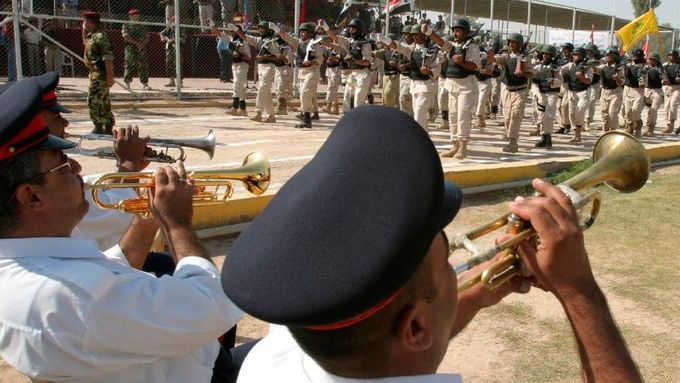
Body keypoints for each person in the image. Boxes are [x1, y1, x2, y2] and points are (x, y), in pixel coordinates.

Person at [221, 105, 643, 382]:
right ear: (417, 327)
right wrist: (579, 291)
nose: (464, 263)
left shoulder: (279, 350)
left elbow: (388, 338)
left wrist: (476, 294)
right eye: (449, 264)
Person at [0, 78, 249, 383]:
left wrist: (148, 218)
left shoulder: (34, 260)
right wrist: (178, 223)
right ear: (31, 196)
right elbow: (214, 305)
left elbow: (107, 275)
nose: (77, 168)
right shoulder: (71, 295)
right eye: (62, 164)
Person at [426, 19, 480, 159]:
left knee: (463, 116)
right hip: (452, 84)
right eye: (454, 30)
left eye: (458, 30)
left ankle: (463, 146)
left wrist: (462, 62)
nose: (455, 33)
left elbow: (476, 66)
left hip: (466, 85)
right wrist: (429, 32)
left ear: (465, 32)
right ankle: (454, 145)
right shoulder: (451, 46)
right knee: (453, 115)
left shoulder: (472, 47)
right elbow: (440, 42)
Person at [379, 23, 440, 131]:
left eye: (417, 34)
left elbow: (437, 69)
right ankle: (423, 136)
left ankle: (420, 138)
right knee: (417, 113)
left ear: (425, 36)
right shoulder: (412, 49)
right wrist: (385, 40)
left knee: (419, 112)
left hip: (427, 86)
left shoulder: (433, 50)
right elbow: (398, 47)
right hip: (415, 85)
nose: (414, 37)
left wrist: (429, 71)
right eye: (413, 35)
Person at [487, 33, 534, 153]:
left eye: (513, 42)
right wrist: (489, 52)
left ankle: (513, 142)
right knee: (507, 117)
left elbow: (531, 74)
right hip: (508, 90)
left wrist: (522, 74)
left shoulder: (525, 58)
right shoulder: (506, 57)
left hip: (520, 90)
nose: (511, 45)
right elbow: (493, 59)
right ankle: (509, 137)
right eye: (510, 42)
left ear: (518, 44)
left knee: (516, 115)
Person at [275, 22, 323, 129]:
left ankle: (307, 120)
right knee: (303, 95)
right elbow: (287, 37)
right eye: (301, 32)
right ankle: (306, 117)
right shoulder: (299, 43)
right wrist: (277, 29)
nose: (301, 34)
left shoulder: (315, 44)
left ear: (310, 33)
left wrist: (311, 62)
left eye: (304, 32)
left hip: (312, 71)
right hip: (302, 72)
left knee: (305, 93)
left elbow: (320, 60)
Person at [321, 18, 374, 111]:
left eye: (353, 28)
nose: (351, 30)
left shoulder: (365, 44)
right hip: (352, 74)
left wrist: (353, 60)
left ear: (359, 30)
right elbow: (335, 38)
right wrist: (325, 26)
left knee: (358, 100)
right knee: (347, 97)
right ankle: (346, 118)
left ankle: (359, 121)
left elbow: (367, 62)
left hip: (362, 74)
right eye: (350, 28)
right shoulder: (349, 42)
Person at [238, 21, 280, 123]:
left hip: (269, 67)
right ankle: (271, 116)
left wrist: (264, 56)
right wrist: (237, 30)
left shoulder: (272, 41)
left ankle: (258, 113)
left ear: (268, 30)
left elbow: (276, 56)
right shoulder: (259, 40)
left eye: (263, 28)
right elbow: (245, 37)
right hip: (261, 68)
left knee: (262, 89)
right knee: (266, 92)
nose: (260, 30)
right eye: (259, 28)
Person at [82, 11, 115, 135]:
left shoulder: (100, 37)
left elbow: (108, 58)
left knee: (94, 100)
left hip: (100, 73)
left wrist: (110, 76)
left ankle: (99, 126)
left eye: (85, 21)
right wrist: (83, 29)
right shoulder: (93, 36)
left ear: (90, 22)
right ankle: (106, 126)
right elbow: (85, 42)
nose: (83, 24)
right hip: (95, 73)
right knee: (102, 100)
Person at [214, 23, 251, 116]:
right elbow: (219, 34)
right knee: (240, 87)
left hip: (242, 65)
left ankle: (234, 107)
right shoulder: (231, 40)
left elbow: (248, 57)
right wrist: (213, 25)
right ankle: (243, 109)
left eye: (233, 31)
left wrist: (240, 55)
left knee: (236, 84)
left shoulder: (244, 42)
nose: (231, 33)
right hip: (234, 65)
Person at [532, 44, 563, 148]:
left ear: (552, 56)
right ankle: (543, 137)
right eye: (544, 54)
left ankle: (548, 139)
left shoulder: (556, 68)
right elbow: (533, 76)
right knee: (541, 116)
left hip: (552, 94)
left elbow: (561, 81)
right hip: (541, 93)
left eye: (548, 54)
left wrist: (554, 81)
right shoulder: (539, 66)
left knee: (549, 116)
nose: (545, 56)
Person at [560, 47, 593, 143]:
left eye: (576, 55)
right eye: (573, 54)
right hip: (572, 91)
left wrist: (581, 77)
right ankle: (576, 134)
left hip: (583, 92)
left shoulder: (587, 67)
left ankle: (580, 128)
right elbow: (561, 70)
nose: (574, 56)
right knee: (571, 113)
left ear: (582, 56)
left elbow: (588, 81)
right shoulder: (570, 65)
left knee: (580, 110)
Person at [595, 47, 625, 133]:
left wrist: (617, 79)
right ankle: (605, 132)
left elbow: (622, 82)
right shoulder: (603, 66)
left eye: (609, 55)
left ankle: (613, 131)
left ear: (614, 56)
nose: (607, 57)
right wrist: (592, 65)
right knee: (604, 114)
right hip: (604, 92)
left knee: (612, 114)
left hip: (615, 92)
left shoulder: (619, 68)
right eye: (606, 55)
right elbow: (596, 70)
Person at [122, 9, 151, 91]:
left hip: (141, 47)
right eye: (135, 15)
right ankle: (127, 84)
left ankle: (145, 84)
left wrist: (142, 44)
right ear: (130, 16)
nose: (137, 16)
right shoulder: (126, 25)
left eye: (138, 15)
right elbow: (125, 36)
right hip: (130, 47)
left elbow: (147, 36)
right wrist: (137, 43)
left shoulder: (143, 25)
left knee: (143, 65)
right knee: (129, 64)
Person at [641, 52, 664, 137]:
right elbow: (640, 75)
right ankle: (636, 125)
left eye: (653, 60)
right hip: (646, 90)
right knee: (640, 109)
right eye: (650, 59)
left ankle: (650, 128)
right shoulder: (645, 68)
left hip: (657, 91)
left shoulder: (660, 69)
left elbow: (663, 76)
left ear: (657, 61)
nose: (651, 61)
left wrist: (663, 80)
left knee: (653, 110)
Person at [159, 17, 185, 88]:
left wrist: (174, 40)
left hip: (177, 48)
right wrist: (165, 39)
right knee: (169, 64)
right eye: (173, 20)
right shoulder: (169, 28)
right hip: (170, 49)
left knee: (178, 64)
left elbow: (183, 39)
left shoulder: (181, 28)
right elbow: (161, 34)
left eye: (176, 20)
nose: (174, 22)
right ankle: (172, 81)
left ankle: (179, 82)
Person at [662, 50, 680, 134]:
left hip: (677, 88)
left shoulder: (679, 66)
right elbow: (660, 76)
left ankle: (670, 125)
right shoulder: (665, 66)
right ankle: (668, 125)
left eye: (672, 55)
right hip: (668, 88)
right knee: (667, 107)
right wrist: (664, 81)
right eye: (669, 55)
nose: (670, 57)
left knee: (673, 105)